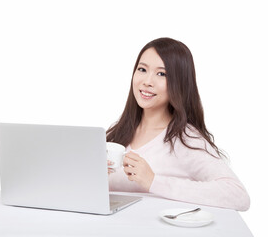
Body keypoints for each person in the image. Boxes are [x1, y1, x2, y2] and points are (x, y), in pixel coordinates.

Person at [106, 37, 250, 211]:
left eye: (161, 74)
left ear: (179, 83)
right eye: (142, 69)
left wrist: (153, 181)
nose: (147, 81)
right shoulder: (115, 134)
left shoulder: (186, 139)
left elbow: (238, 196)